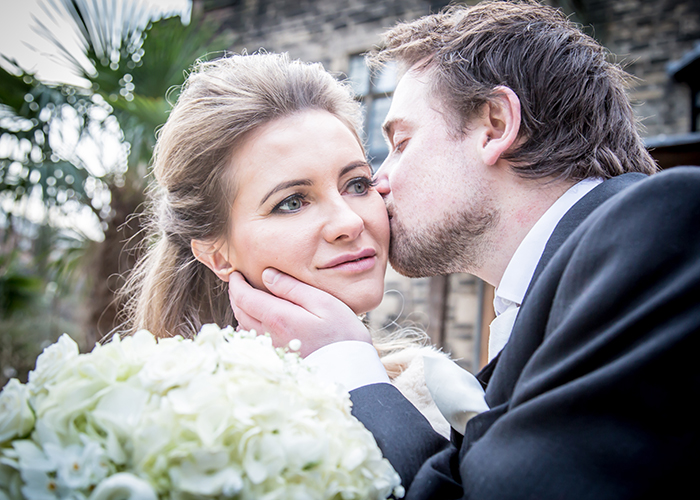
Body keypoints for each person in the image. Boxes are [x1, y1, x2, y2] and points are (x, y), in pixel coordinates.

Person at [228, 1, 700, 498]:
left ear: (494, 125)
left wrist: (346, 359)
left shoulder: (668, 226)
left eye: (402, 142)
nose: (380, 182)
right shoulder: (560, 303)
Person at [118, 51, 453, 437]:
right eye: (292, 202)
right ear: (217, 254)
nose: (350, 220)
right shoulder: (155, 420)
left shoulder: (438, 395)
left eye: (358, 184)